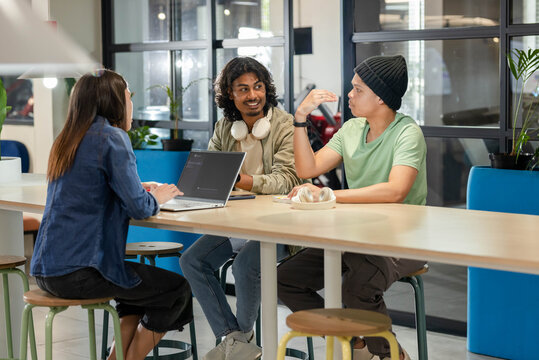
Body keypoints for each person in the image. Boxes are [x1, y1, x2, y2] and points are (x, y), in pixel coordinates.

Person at [30, 69, 193, 360]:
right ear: (115, 101)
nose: (131, 104)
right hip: (81, 272)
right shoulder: (112, 138)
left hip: (46, 268)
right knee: (176, 290)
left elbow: (89, 186)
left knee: (136, 291)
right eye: (129, 97)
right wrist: (156, 196)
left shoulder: (68, 137)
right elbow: (140, 208)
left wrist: (136, 187)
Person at [277, 55, 427, 360]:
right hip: (355, 237)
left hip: (402, 241)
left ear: (381, 97)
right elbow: (308, 169)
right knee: (283, 279)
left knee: (358, 284)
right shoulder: (352, 130)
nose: (349, 95)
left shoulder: (407, 132)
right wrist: (300, 118)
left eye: (357, 89)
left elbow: (396, 190)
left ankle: (390, 355)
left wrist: (329, 195)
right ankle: (353, 343)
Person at [179, 57, 304, 360]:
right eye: (243, 89)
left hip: (280, 226)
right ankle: (239, 340)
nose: (252, 95)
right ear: (230, 95)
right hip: (238, 222)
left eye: (258, 87)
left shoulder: (285, 125)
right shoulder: (226, 128)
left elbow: (289, 179)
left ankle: (238, 345)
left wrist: (244, 181)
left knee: (246, 264)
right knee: (192, 261)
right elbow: (210, 170)